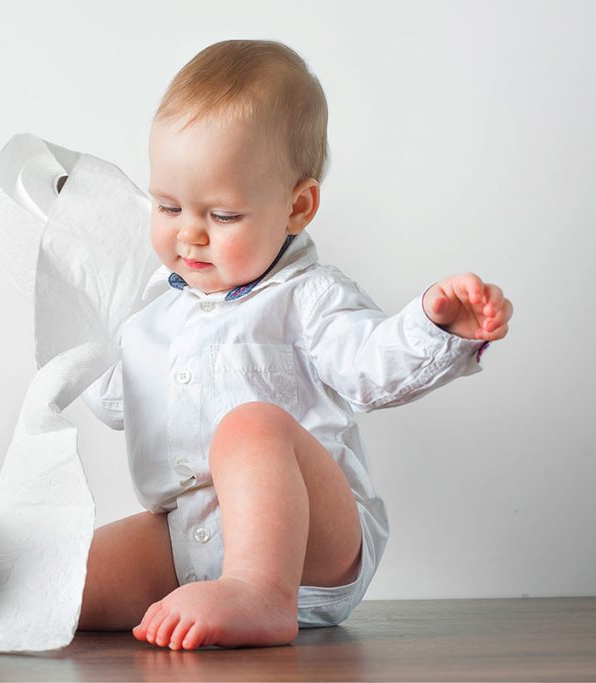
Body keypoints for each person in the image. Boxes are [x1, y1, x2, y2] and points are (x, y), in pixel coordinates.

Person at [75, 39, 513, 651]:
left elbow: (369, 368)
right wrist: (81, 330)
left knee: (250, 426)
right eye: (168, 206)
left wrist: (434, 328)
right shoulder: (153, 308)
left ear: (296, 206)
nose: (189, 233)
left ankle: (259, 592)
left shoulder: (308, 296)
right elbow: (118, 402)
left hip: (314, 546)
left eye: (222, 216)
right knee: (62, 580)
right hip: (186, 540)